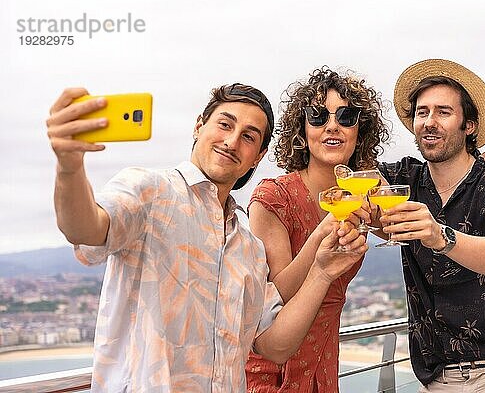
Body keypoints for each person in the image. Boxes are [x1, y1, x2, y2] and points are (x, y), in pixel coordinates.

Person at [45, 83, 368, 392]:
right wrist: (69, 167)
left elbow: (274, 345)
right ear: (199, 126)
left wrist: (322, 272)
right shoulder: (149, 192)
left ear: (258, 156)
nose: (231, 141)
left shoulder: (248, 247)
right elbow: (85, 229)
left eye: (248, 137)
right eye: (224, 125)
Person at [374, 59, 485, 392]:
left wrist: (439, 235)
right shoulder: (403, 179)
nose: (429, 122)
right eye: (421, 112)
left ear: (469, 125)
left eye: (443, 112)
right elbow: (347, 171)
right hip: (436, 378)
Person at [245, 67, 390, 392]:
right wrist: (322, 235)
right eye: (318, 116)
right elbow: (275, 294)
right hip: (274, 366)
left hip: (325, 362)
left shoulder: (364, 190)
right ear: (302, 129)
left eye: (346, 116)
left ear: (360, 130)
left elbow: (401, 232)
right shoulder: (274, 198)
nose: (332, 126)